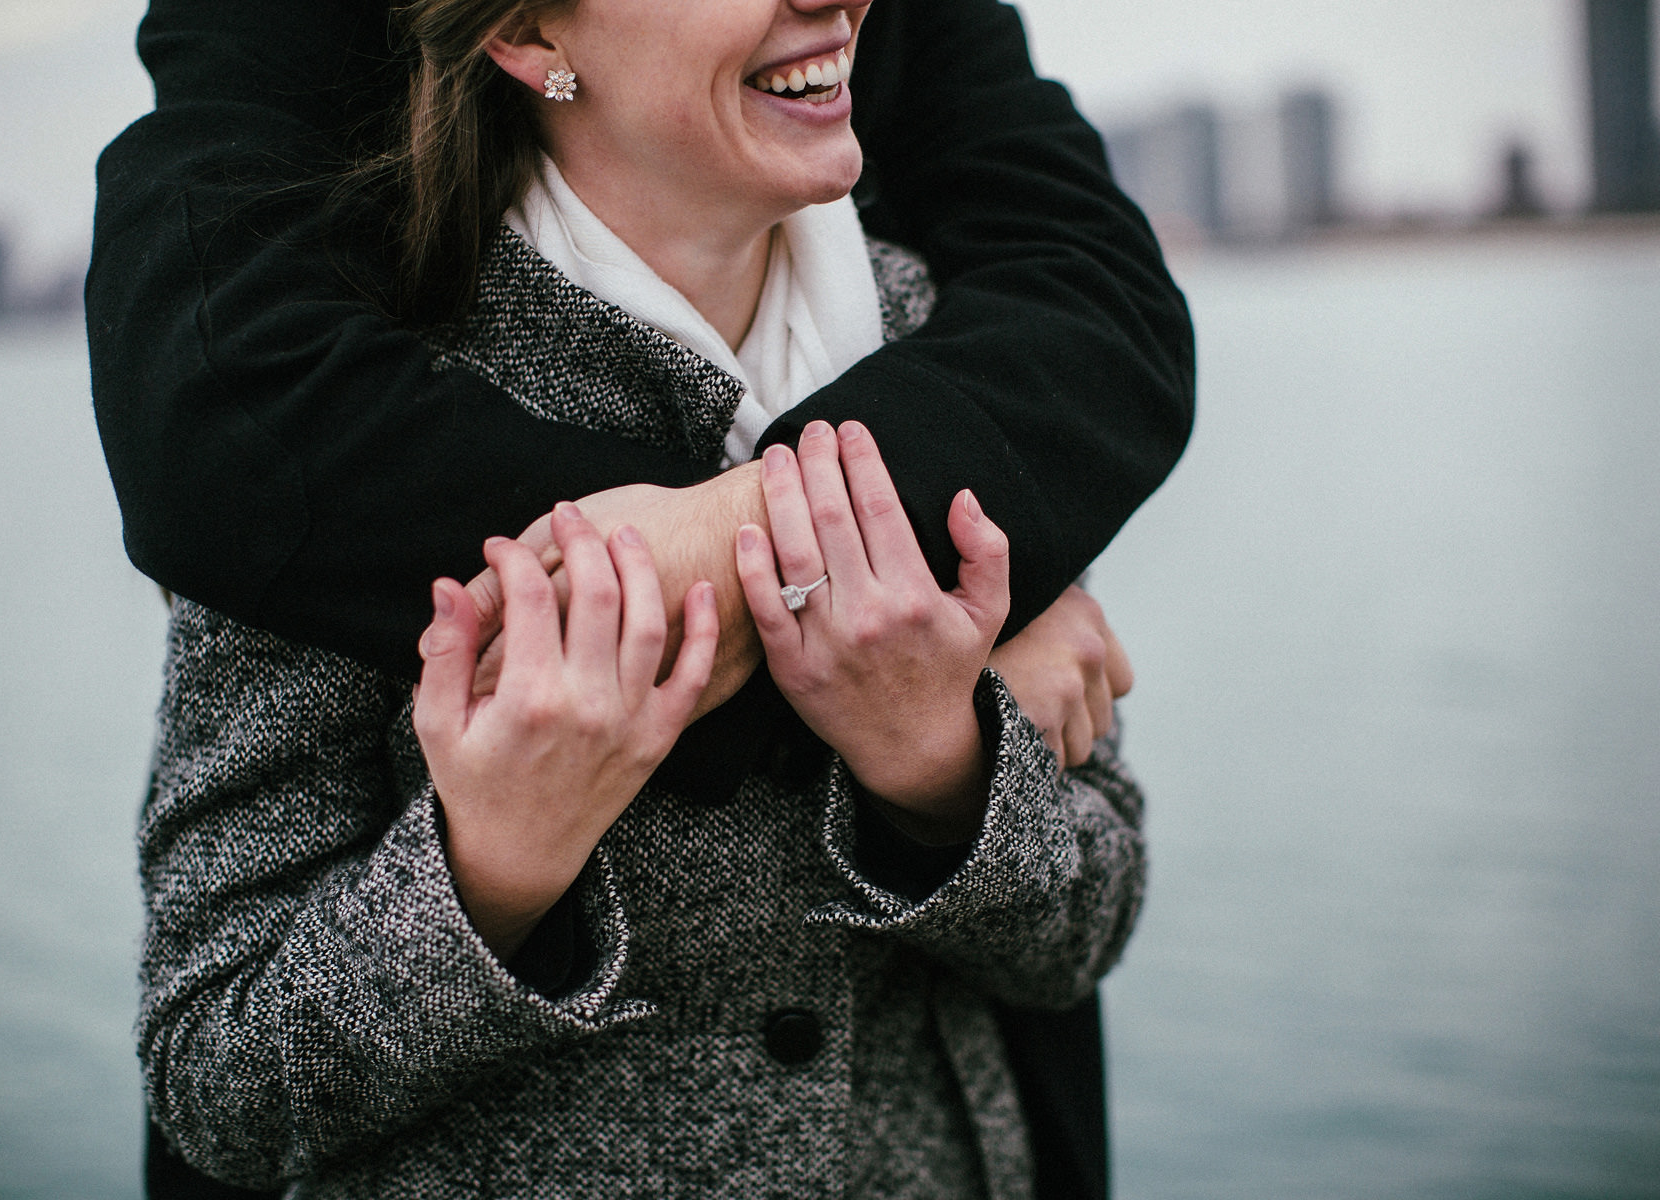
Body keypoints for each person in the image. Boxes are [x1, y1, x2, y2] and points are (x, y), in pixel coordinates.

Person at [92, 0, 1193, 1195]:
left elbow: (1092, 922)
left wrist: (940, 769)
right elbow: (219, 1085)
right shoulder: (334, 413)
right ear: (533, 38)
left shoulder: (952, 348)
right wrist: (492, 869)